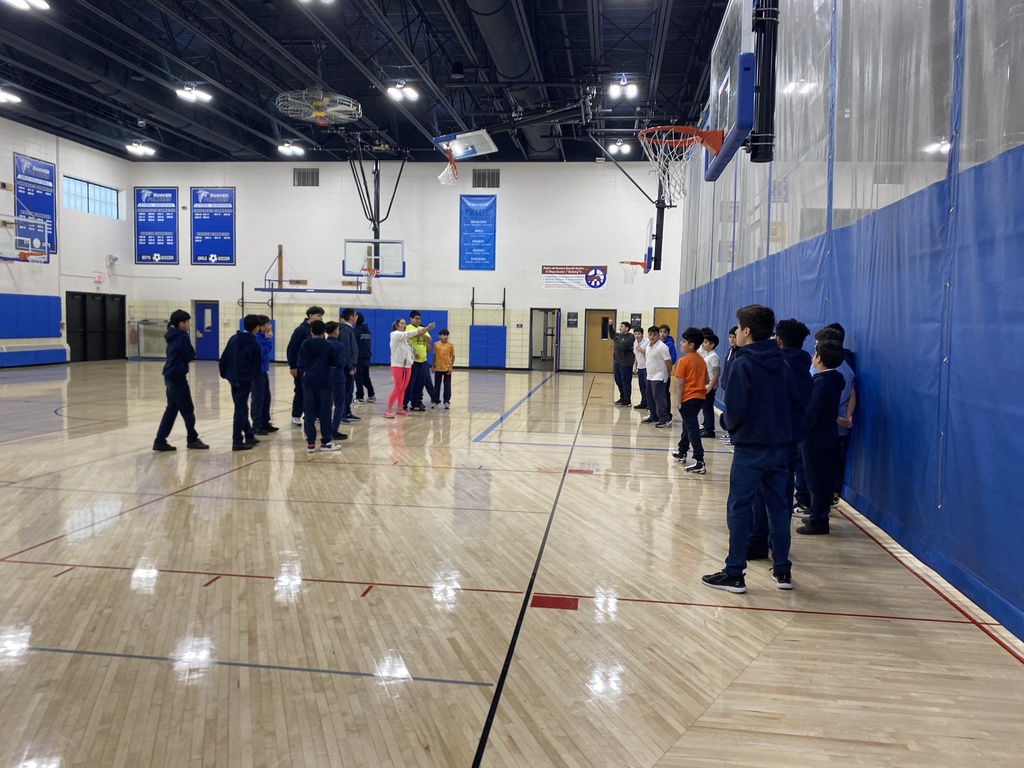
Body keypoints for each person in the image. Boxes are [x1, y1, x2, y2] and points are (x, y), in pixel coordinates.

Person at [702, 304, 799, 594]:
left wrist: (726, 422)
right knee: (779, 509)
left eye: (738, 329)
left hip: (751, 450)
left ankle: (734, 573)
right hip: (780, 448)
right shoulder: (783, 364)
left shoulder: (742, 364)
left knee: (740, 509)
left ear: (746, 331)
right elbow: (793, 404)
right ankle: (782, 571)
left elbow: (735, 410)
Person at [748, 318, 813, 560]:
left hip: (768, 438)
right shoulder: (806, 369)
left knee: (759, 493)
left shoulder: (776, 366)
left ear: (778, 340)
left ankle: (756, 542)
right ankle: (778, 545)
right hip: (791, 439)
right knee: (782, 495)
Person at [796, 339, 846, 535]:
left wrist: (802, 429)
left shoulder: (821, 383)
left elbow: (812, 413)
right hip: (828, 436)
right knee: (822, 480)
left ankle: (818, 520)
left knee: (816, 481)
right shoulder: (834, 380)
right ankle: (818, 515)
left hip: (815, 440)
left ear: (819, 359)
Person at [153, 309, 208, 452]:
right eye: (188, 322)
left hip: (169, 375)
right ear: (181, 324)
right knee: (187, 409)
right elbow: (189, 354)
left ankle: (160, 440)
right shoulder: (182, 336)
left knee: (171, 409)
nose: (190, 325)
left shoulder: (171, 335)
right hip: (177, 377)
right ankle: (192, 438)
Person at [219, 314, 263, 451]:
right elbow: (257, 365)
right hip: (244, 379)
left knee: (241, 406)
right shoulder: (254, 343)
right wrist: (253, 377)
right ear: (257, 328)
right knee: (240, 409)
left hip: (233, 378)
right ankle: (237, 440)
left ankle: (249, 435)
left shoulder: (233, 338)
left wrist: (225, 374)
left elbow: (224, 357)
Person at [297, 319, 340, 452]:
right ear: (324, 332)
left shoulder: (305, 343)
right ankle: (325, 441)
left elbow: (300, 362)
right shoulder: (328, 345)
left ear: (311, 330)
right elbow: (334, 362)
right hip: (324, 382)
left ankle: (310, 442)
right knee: (325, 413)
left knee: (309, 412)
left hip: (309, 381)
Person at [672, 327, 708, 473]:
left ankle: (700, 460)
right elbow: (706, 379)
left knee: (692, 429)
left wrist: (679, 401)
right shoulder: (701, 360)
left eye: (684, 341)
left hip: (688, 398)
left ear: (691, 345)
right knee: (687, 426)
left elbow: (680, 383)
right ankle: (682, 451)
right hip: (699, 398)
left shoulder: (683, 361)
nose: (681, 343)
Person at [386, 318, 435, 419]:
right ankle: (388, 409)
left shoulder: (405, 340)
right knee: (397, 388)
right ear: (397, 325)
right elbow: (410, 334)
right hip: (397, 366)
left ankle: (400, 408)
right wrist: (426, 329)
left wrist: (413, 356)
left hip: (407, 366)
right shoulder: (395, 334)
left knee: (403, 388)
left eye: (405, 323)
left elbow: (409, 348)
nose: (404, 325)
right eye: (402, 323)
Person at [286, 306, 325, 427]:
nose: (321, 318)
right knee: (300, 391)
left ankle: (312, 414)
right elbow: (292, 349)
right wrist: (293, 365)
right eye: (318, 315)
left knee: (316, 392)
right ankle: (296, 415)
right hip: (301, 367)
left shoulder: (320, 331)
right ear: (310, 315)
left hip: (315, 368)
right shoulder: (301, 330)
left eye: (321, 316)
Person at [324, 321, 353, 442]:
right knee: (339, 404)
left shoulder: (323, 343)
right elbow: (341, 363)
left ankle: (325, 428)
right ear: (336, 331)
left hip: (325, 377)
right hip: (337, 377)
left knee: (326, 405)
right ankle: (334, 429)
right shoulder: (340, 345)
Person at [641, 326, 673, 428]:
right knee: (650, 398)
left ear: (658, 335)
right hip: (650, 375)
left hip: (659, 376)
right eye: (650, 334)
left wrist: (668, 374)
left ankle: (665, 419)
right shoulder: (648, 346)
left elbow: (668, 362)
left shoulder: (662, 347)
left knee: (659, 398)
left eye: (655, 334)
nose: (652, 336)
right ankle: (654, 416)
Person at [252, 315, 277, 436]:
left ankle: (265, 421)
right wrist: (269, 340)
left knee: (266, 397)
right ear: (260, 327)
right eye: (267, 324)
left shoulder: (262, 337)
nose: (270, 326)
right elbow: (263, 353)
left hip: (263, 371)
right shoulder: (257, 339)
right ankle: (256, 424)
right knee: (258, 398)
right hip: (256, 372)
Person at [404, 311, 433, 411]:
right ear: (411, 318)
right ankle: (404, 403)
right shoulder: (408, 328)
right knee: (410, 383)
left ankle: (415, 403)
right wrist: (420, 333)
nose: (418, 320)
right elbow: (410, 336)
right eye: (416, 318)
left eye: (419, 319)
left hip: (423, 360)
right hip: (412, 361)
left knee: (420, 383)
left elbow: (429, 340)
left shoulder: (422, 328)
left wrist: (422, 333)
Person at [338, 309, 360, 423]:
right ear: (351, 317)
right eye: (355, 315)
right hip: (346, 366)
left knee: (349, 390)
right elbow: (346, 348)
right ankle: (342, 414)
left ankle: (347, 411)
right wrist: (350, 365)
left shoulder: (349, 329)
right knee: (345, 391)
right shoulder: (346, 330)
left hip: (350, 364)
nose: (356, 317)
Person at [717, 326, 738, 442]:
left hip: (733, 388)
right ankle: (729, 432)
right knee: (727, 410)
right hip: (727, 386)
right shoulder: (730, 351)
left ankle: (733, 433)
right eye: (730, 337)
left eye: (734, 337)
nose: (732, 339)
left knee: (732, 411)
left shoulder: (738, 353)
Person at [700, 333, 721, 437]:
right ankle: (706, 426)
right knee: (705, 407)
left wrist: (710, 385)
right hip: (706, 385)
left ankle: (710, 430)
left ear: (712, 345)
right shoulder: (708, 355)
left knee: (708, 407)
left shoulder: (713, 357)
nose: (703, 344)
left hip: (710, 387)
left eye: (705, 342)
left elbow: (716, 372)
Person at [612, 321, 635, 407]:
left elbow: (624, 345)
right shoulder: (618, 336)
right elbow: (612, 335)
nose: (620, 328)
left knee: (625, 381)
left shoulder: (630, 337)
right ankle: (622, 397)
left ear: (627, 328)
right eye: (620, 326)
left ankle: (627, 399)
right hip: (617, 361)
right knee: (618, 380)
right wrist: (610, 326)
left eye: (622, 326)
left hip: (626, 363)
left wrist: (616, 339)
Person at [353, 312, 375, 403]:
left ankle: (359, 396)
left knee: (358, 377)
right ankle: (371, 394)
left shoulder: (355, 331)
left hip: (359, 357)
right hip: (367, 356)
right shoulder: (367, 330)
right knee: (366, 376)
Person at [431, 329, 455, 409]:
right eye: (444, 335)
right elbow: (434, 356)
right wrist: (433, 365)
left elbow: (453, 356)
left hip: (447, 368)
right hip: (438, 368)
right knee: (437, 386)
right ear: (439, 336)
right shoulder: (436, 344)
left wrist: (451, 366)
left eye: (447, 335)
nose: (445, 337)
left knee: (447, 386)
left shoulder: (450, 345)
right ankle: (435, 401)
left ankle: (446, 401)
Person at [632, 326, 648, 411]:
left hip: (647, 367)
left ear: (642, 334)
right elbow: (636, 355)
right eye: (635, 334)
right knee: (641, 386)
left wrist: (641, 350)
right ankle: (643, 402)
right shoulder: (635, 342)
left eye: (639, 333)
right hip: (640, 367)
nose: (637, 335)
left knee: (647, 386)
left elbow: (649, 354)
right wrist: (635, 366)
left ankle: (649, 404)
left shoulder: (647, 342)